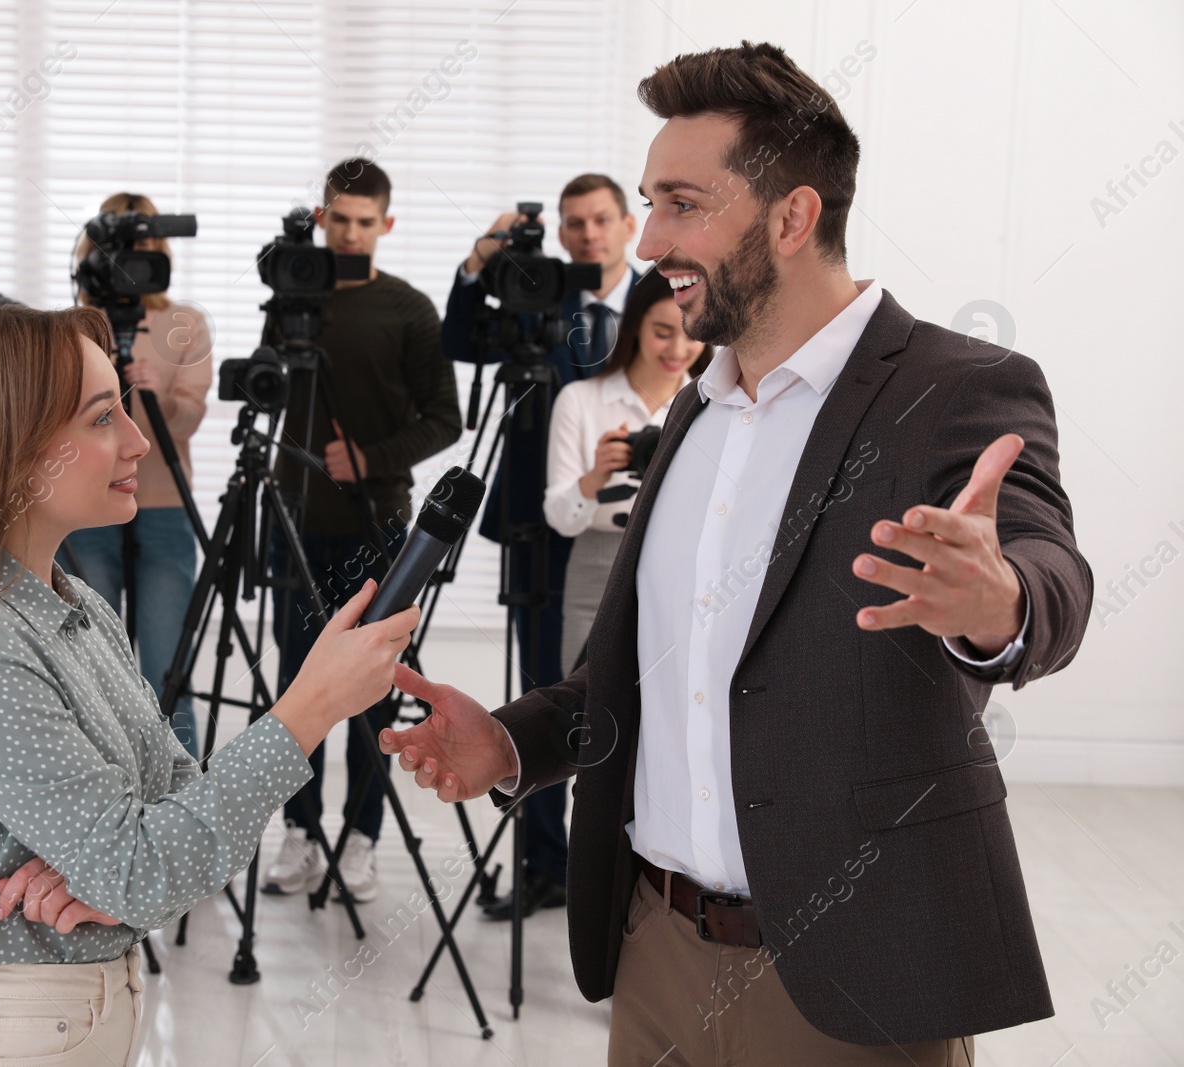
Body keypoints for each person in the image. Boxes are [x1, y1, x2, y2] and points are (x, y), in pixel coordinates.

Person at [384, 41, 1092, 1067]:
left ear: (792, 218)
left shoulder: (959, 386)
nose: (648, 240)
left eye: (681, 204)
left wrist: (1001, 599)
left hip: (851, 976)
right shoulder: (692, 416)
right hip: (653, 952)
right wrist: (509, 741)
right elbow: (644, 676)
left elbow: (1045, 569)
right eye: (649, 203)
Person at [0, 304, 417, 1066]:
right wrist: (309, 707)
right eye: (104, 417)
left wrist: (122, 868)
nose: (140, 439)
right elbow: (152, 858)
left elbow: (174, 816)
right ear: (9, 446)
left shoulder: (76, 607)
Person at [442, 173, 640, 919]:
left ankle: (619, 870)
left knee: (628, 696)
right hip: (538, 525)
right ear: (560, 233)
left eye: (601, 221)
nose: (588, 235)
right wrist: (477, 262)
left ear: (626, 226)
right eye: (574, 224)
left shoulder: (664, 309)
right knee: (547, 695)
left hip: (631, 526)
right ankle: (544, 865)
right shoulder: (540, 296)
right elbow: (460, 340)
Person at [263, 158, 461, 903]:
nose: (349, 232)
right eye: (337, 219)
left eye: (363, 221)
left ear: (386, 224)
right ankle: (300, 831)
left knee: (373, 687)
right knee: (297, 683)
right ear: (320, 219)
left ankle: (361, 839)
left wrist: (369, 457)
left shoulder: (408, 309)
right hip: (295, 519)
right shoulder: (290, 300)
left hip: (378, 527)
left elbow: (446, 416)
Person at [56, 192, 212, 761]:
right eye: (120, 245)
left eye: (144, 246)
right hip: (91, 507)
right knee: (90, 670)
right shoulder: (72, 326)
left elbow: (190, 419)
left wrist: (153, 393)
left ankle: (189, 807)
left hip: (165, 510)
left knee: (169, 672)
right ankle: (103, 806)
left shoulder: (183, 323)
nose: (131, 259)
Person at [544, 271, 709, 674]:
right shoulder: (580, 400)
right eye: (662, 332)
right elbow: (560, 520)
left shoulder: (714, 406)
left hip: (685, 569)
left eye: (690, 332)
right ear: (635, 326)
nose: (678, 348)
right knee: (582, 707)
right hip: (597, 563)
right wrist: (595, 476)